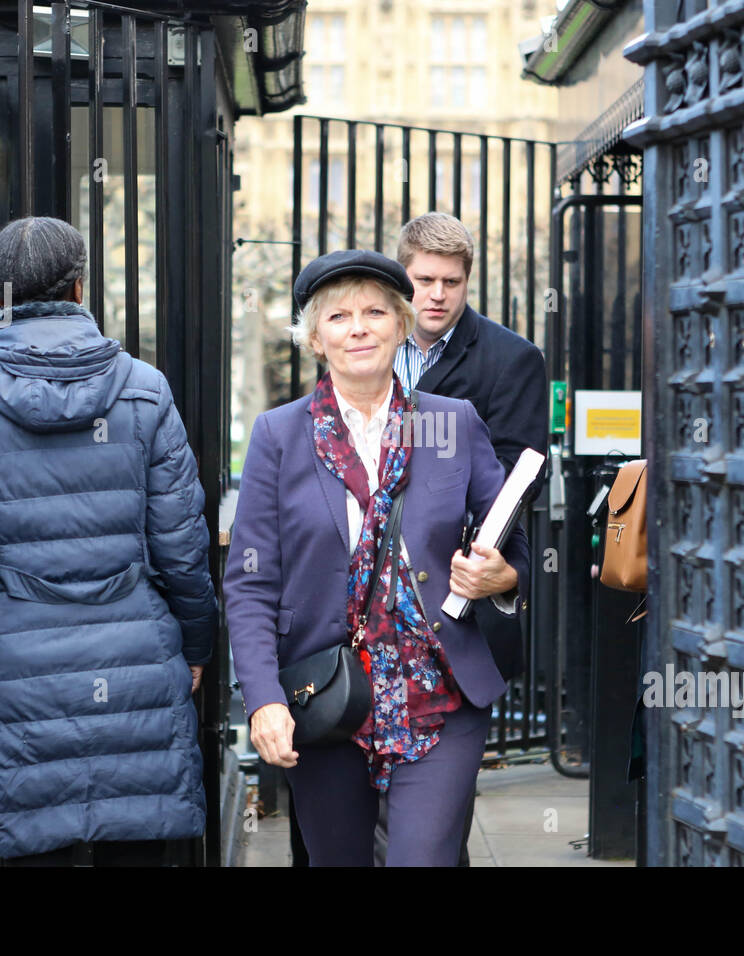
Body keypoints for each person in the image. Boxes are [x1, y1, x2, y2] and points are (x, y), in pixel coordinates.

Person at [0, 216, 218, 865]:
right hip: (134, 659)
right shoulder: (144, 389)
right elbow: (182, 549)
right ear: (81, 287)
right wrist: (196, 644)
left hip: (13, 667)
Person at [225, 249, 531, 866]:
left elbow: (511, 544)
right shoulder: (279, 436)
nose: (358, 327)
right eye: (337, 317)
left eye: (373, 312)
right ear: (315, 337)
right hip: (325, 693)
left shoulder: (452, 423)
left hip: (439, 691)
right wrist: (263, 698)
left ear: (400, 324)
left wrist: (503, 577)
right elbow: (251, 583)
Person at [390, 212, 551, 864]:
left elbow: (514, 485)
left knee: (434, 821)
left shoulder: (511, 360)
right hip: (362, 613)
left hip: (454, 608)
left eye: (450, 281)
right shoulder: (368, 343)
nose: (436, 294)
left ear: (467, 282)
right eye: (424, 278)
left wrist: (484, 570)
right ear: (401, 275)